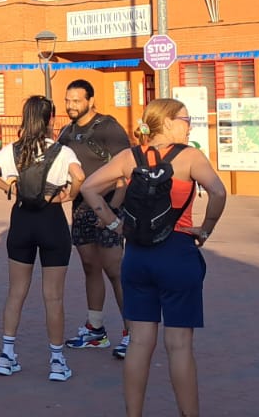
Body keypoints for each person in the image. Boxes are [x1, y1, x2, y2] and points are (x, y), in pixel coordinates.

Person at [79, 98, 227, 417]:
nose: (190, 126)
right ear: (170, 123)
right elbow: (218, 192)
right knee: (179, 345)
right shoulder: (189, 157)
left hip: (137, 255)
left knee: (139, 342)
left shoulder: (128, 157)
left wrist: (115, 224)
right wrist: (206, 228)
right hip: (177, 252)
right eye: (187, 120)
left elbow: (90, 187)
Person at [0, 96, 85, 382]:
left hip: (22, 221)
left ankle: (7, 355)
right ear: (51, 120)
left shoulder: (13, 150)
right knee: (54, 296)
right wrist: (69, 195)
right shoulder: (62, 151)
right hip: (52, 222)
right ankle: (57, 361)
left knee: (16, 291)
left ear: (26, 118)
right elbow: (80, 176)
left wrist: (7, 187)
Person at [57, 79, 133, 356]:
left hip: (110, 208)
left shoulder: (108, 127)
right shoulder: (66, 132)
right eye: (68, 100)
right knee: (90, 267)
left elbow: (126, 171)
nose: (71, 106)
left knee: (116, 271)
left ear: (91, 100)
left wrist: (111, 210)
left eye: (76, 101)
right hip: (81, 210)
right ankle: (95, 330)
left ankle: (132, 334)